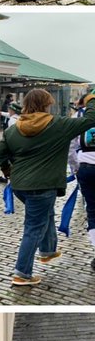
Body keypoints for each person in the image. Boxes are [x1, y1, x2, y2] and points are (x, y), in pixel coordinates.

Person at [0, 87, 95, 287]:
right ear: (47, 105)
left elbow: (0, 153)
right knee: (33, 228)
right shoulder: (58, 124)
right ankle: (22, 272)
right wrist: (92, 100)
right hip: (44, 185)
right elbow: (90, 120)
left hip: (20, 185)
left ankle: (48, 249)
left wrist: (8, 171)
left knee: (44, 213)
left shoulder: (13, 129)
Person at [70, 99, 95, 274]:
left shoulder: (79, 116)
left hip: (86, 167)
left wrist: (75, 169)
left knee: (93, 211)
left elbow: (71, 146)